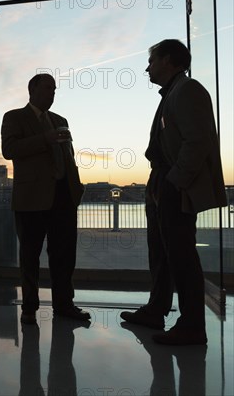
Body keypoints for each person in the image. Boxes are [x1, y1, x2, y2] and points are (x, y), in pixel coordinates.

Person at [120, 39, 227, 345]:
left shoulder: (188, 90)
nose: (147, 67)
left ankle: (192, 326)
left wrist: (174, 182)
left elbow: (198, 141)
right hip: (163, 180)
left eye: (152, 61)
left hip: (173, 183)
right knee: (162, 252)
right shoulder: (174, 93)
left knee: (180, 255)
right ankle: (156, 310)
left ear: (167, 60)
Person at [1, 73, 89, 324]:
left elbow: (68, 156)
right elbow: (10, 150)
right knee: (29, 256)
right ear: (32, 90)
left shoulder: (60, 120)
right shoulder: (14, 117)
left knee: (64, 255)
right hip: (31, 199)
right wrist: (45, 139)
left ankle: (64, 305)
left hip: (63, 197)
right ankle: (29, 308)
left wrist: (76, 188)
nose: (52, 93)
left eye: (54, 89)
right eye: (47, 88)